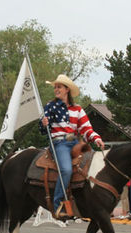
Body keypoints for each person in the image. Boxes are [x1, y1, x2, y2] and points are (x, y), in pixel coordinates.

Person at [39, 74, 105, 218]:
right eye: (55, 87)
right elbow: (43, 130)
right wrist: (44, 123)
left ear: (67, 89)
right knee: (67, 170)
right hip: (59, 143)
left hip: (75, 142)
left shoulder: (78, 109)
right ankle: (57, 205)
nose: (56, 89)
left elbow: (86, 129)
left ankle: (90, 202)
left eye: (59, 87)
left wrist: (96, 139)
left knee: (93, 164)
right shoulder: (50, 107)